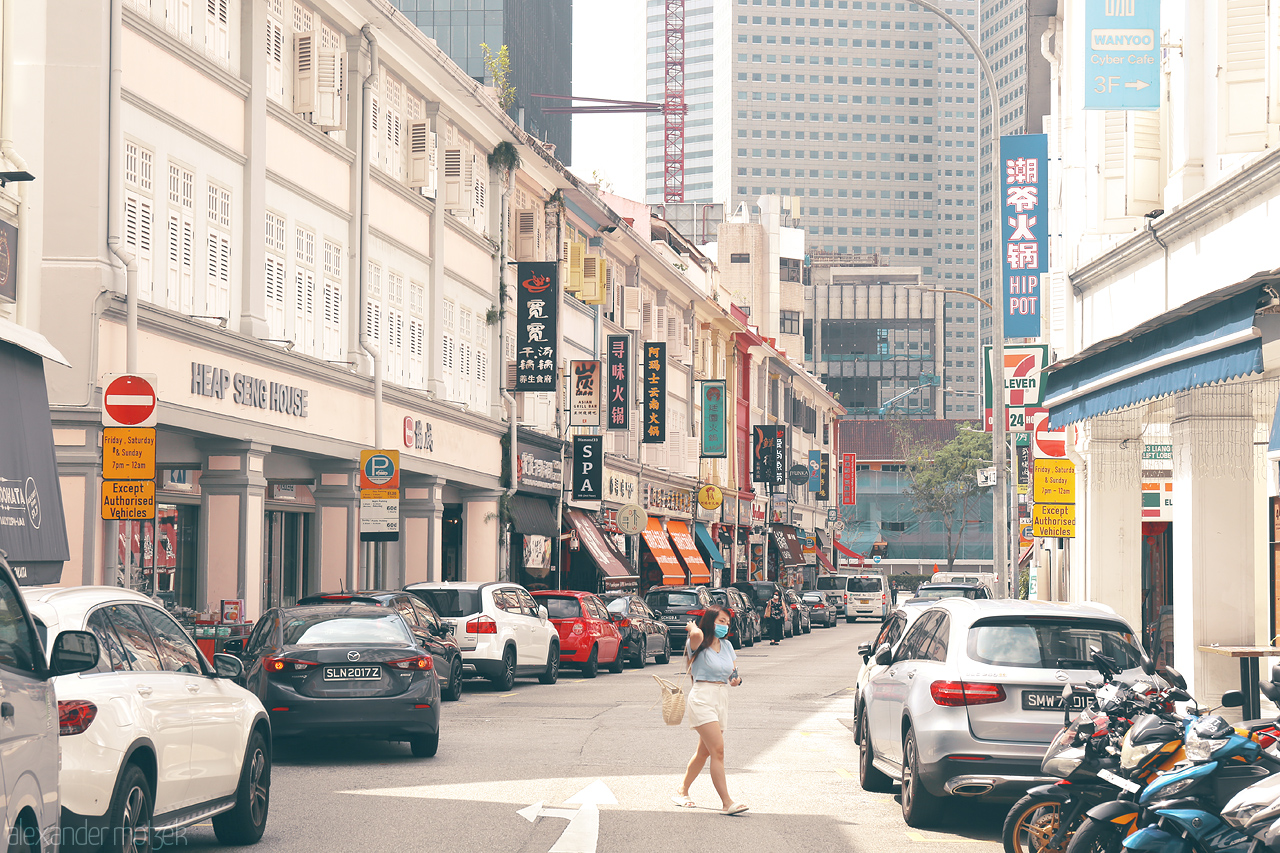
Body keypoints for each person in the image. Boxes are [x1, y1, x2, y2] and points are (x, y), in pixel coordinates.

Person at [671, 605, 748, 816]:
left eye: (727, 622)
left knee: (704, 752)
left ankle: (682, 790)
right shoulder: (697, 643)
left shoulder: (727, 645)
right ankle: (726, 802)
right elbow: (695, 633)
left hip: (721, 698)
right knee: (718, 750)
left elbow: (734, 673)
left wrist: (736, 680)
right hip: (702, 697)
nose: (725, 626)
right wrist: (692, 626)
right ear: (711, 621)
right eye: (721, 621)